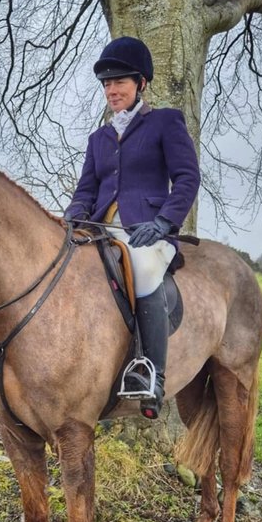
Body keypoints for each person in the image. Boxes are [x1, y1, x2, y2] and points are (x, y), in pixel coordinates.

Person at [63, 36, 200, 419]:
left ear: (140, 83)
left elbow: (188, 177)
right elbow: (86, 190)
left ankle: (150, 373)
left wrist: (162, 222)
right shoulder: (99, 139)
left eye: (119, 82)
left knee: (141, 267)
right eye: (106, 84)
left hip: (148, 233)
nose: (111, 90)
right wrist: (74, 213)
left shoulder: (164, 122)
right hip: (101, 231)